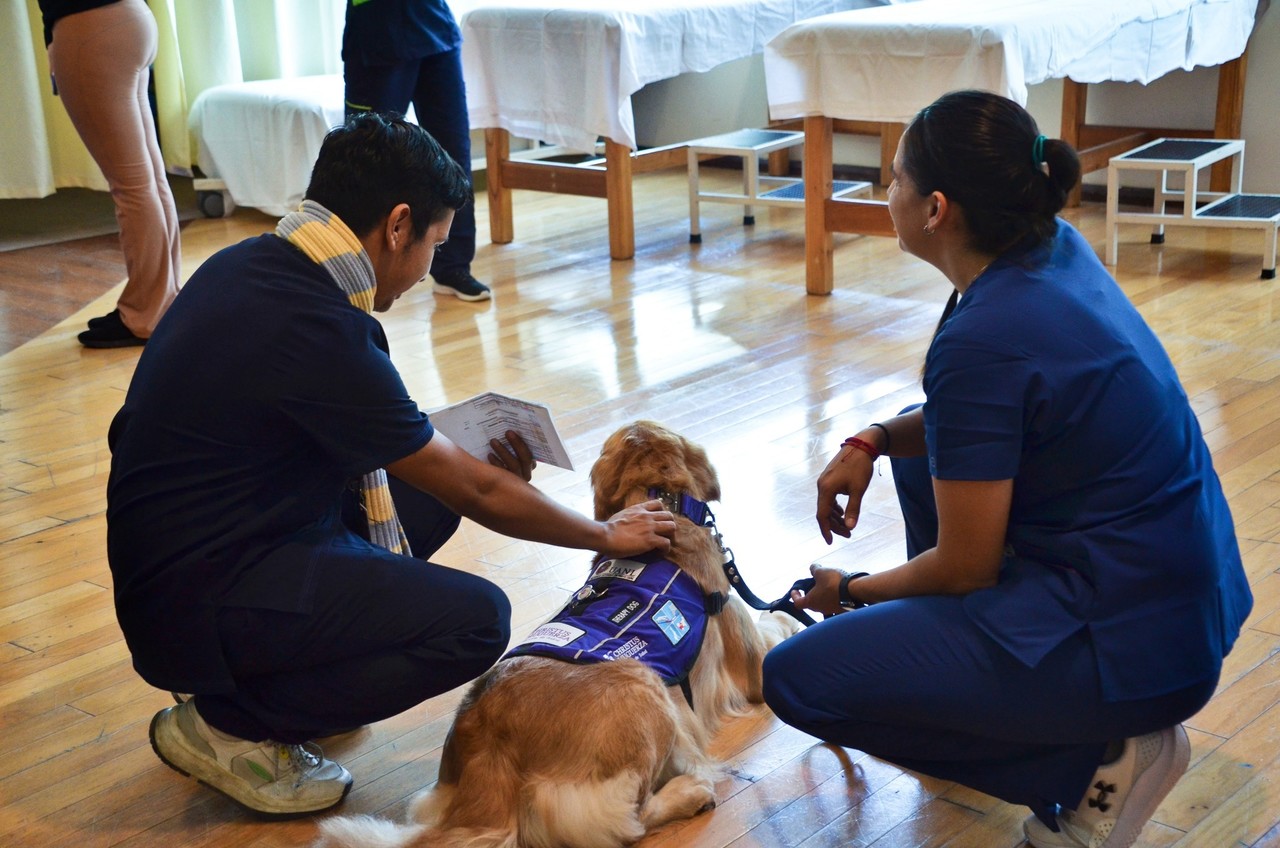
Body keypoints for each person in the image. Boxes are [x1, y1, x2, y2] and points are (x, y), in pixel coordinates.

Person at [105, 113, 676, 818]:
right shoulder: (317, 327)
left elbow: (414, 457)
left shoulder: (256, 264)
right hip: (197, 598)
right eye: (436, 243)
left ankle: (266, 678)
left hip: (186, 561)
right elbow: (470, 484)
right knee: (475, 620)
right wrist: (605, 536)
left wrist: (474, 471)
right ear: (398, 225)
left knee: (429, 491)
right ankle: (232, 725)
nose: (429, 264)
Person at [761, 90, 1252, 848]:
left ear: (935, 210)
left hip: (1133, 642)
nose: (882, 192)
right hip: (1172, 601)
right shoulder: (1044, 249)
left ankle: (1099, 765)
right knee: (923, 464)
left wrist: (851, 594)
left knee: (798, 679)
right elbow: (982, 419)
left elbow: (962, 566)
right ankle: (990, 688)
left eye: (893, 179)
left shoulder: (986, 333)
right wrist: (870, 440)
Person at [37, 0, 182, 348]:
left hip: (89, 25)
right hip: (133, 19)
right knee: (149, 177)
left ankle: (144, 315)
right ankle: (162, 302)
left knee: (131, 185)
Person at [342, 0, 489, 302]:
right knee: (365, 158)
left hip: (435, 28)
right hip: (378, 32)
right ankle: (349, 271)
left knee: (453, 154)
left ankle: (452, 267)